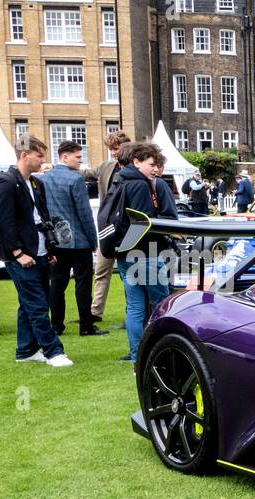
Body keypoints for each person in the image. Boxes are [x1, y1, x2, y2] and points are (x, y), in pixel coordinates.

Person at [0, 135, 71, 366]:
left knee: (30, 303)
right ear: (25, 155)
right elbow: (5, 223)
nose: (43, 160)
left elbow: (42, 217)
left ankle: (25, 351)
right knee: (37, 305)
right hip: (21, 255)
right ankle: (53, 351)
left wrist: (51, 248)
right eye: (39, 155)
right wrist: (17, 253)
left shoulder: (36, 183)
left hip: (40, 250)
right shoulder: (5, 183)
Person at [114, 142, 174, 363]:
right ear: (137, 162)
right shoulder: (141, 185)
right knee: (162, 304)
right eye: (151, 164)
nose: (155, 169)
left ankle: (137, 354)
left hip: (125, 251)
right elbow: (144, 222)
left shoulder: (119, 180)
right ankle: (164, 351)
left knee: (135, 306)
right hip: (145, 252)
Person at [36, 140, 103, 336]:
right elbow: (84, 213)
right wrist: (93, 241)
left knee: (57, 283)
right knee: (83, 284)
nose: (81, 161)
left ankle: (56, 325)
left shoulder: (43, 179)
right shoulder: (75, 180)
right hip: (79, 240)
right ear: (64, 157)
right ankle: (86, 325)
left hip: (56, 240)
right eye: (78, 156)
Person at [90, 130, 130, 325]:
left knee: (127, 274)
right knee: (101, 270)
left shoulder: (135, 169)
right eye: (111, 149)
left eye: (116, 148)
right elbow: (85, 172)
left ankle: (131, 314)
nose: (114, 152)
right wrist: (58, 167)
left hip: (126, 230)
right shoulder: (106, 166)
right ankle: (95, 312)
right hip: (107, 228)